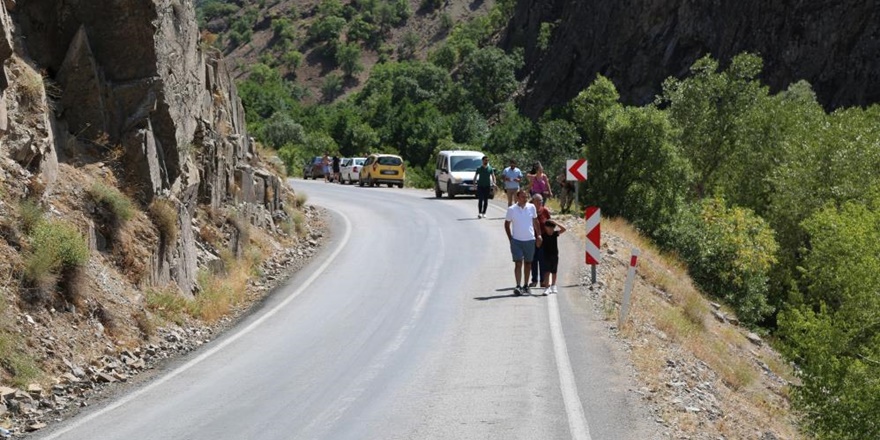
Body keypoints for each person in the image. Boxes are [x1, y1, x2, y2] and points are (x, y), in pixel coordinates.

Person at [505, 189, 543, 296]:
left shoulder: (531, 207)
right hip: (516, 240)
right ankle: (518, 285)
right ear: (517, 198)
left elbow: (536, 221)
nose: (525, 199)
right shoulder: (511, 209)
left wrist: (539, 235)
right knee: (518, 263)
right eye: (522, 197)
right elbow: (506, 224)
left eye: (526, 197)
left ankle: (526, 285)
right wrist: (510, 238)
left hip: (530, 239)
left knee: (528, 263)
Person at [529, 193, 551, 288]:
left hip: (544, 239)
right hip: (531, 238)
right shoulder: (528, 210)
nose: (539, 203)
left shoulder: (545, 210)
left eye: (541, 201)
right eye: (537, 201)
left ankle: (543, 280)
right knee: (533, 260)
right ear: (532, 201)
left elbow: (550, 223)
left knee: (543, 260)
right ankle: (534, 280)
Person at [540, 220, 567, 295]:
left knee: (554, 271)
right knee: (547, 271)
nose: (551, 230)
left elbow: (564, 229)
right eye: (550, 228)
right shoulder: (543, 235)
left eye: (553, 228)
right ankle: (547, 287)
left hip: (554, 255)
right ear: (546, 228)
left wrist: (556, 223)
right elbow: (538, 244)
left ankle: (553, 285)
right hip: (546, 255)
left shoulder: (555, 234)